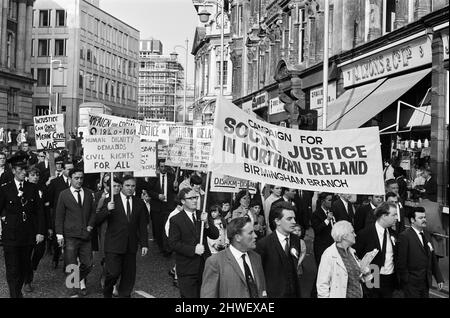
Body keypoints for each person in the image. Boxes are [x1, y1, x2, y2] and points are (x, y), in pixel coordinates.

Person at [0, 154, 45, 298]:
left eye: (25, 169)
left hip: (27, 236)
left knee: (23, 268)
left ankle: (17, 291)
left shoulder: (32, 188)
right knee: (12, 269)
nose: (24, 172)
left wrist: (40, 232)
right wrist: (4, 218)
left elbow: (39, 212)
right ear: (13, 171)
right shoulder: (5, 189)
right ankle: (15, 294)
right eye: (20, 169)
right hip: (11, 237)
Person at [96, 176, 148, 298]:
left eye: (133, 186)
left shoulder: (139, 202)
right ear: (122, 186)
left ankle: (124, 295)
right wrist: (107, 210)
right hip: (113, 244)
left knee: (128, 276)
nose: (130, 188)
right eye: (127, 186)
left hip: (131, 245)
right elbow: (97, 220)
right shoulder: (111, 200)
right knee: (113, 273)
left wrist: (144, 243)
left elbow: (142, 225)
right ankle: (107, 292)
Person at [168, 188, 219, 298]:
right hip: (187, 267)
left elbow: (215, 235)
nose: (194, 200)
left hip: (204, 265)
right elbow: (173, 243)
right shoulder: (176, 219)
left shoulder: (202, 215)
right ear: (182, 201)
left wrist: (206, 224)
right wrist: (193, 249)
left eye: (195, 197)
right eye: (190, 198)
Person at [200, 217, 267, 298]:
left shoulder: (256, 258)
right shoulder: (215, 262)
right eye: (250, 233)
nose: (255, 236)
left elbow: (262, 291)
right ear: (238, 237)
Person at [55, 167, 96, 297]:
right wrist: (59, 235)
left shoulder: (89, 193)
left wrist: (90, 225)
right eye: (76, 178)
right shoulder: (64, 194)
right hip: (70, 235)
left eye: (81, 178)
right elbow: (59, 215)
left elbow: (93, 212)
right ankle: (72, 291)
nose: (79, 181)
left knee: (88, 264)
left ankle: (74, 280)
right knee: (71, 264)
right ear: (70, 178)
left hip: (85, 235)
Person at [255, 201, 301, 298]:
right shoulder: (263, 244)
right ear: (277, 221)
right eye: (289, 219)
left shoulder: (295, 240)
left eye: (294, 218)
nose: (294, 222)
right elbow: (259, 274)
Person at [397, 207, 444, 298]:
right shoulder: (405, 236)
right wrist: (406, 280)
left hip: (425, 282)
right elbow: (401, 262)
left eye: (424, 217)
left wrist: (439, 279)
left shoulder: (427, 234)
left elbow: (432, 258)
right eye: (420, 218)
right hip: (411, 284)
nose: (424, 220)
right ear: (412, 220)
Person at [354, 202, 398, 298]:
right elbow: (355, 256)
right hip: (372, 277)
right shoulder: (365, 234)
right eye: (394, 215)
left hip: (389, 278)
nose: (397, 218)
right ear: (383, 216)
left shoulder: (393, 234)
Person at [316, 221, 367, 298]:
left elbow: (355, 278)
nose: (355, 235)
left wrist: (365, 272)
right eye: (352, 232)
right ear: (344, 236)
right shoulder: (329, 254)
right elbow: (322, 285)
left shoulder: (352, 252)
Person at [23, 167, 52, 293]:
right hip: (27, 226)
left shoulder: (42, 189)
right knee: (26, 253)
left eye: (37, 175)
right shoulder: (23, 189)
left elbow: (46, 210)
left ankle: (32, 266)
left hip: (41, 225)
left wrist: (49, 227)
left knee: (40, 250)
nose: (35, 177)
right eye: (32, 175)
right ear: (27, 176)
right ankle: (27, 280)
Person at [147, 159, 178, 254]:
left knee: (167, 227)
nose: (164, 168)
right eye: (162, 166)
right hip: (157, 207)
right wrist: (157, 196)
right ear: (158, 167)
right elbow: (149, 190)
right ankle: (161, 245)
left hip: (168, 206)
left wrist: (175, 187)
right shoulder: (153, 177)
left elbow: (175, 191)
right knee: (158, 227)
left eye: (165, 166)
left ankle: (166, 248)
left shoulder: (173, 177)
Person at [47, 159, 73, 269]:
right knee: (57, 239)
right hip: (59, 215)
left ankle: (68, 264)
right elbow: (50, 200)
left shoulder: (76, 181)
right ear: (63, 169)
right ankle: (56, 258)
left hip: (72, 216)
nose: (70, 171)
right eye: (68, 169)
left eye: (72, 169)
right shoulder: (55, 182)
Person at [311, 192, 335, 267]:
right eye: (329, 200)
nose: (331, 202)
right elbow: (317, 229)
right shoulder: (316, 214)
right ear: (323, 201)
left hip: (332, 245)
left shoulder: (332, 212)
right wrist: (327, 220)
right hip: (321, 246)